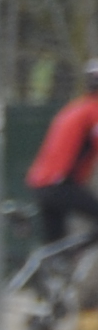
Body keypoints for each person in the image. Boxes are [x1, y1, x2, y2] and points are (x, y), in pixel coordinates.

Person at [25, 59, 98, 249]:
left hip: (42, 183)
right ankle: (76, 254)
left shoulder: (76, 107)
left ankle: (60, 263)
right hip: (60, 184)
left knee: (55, 247)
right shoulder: (93, 111)